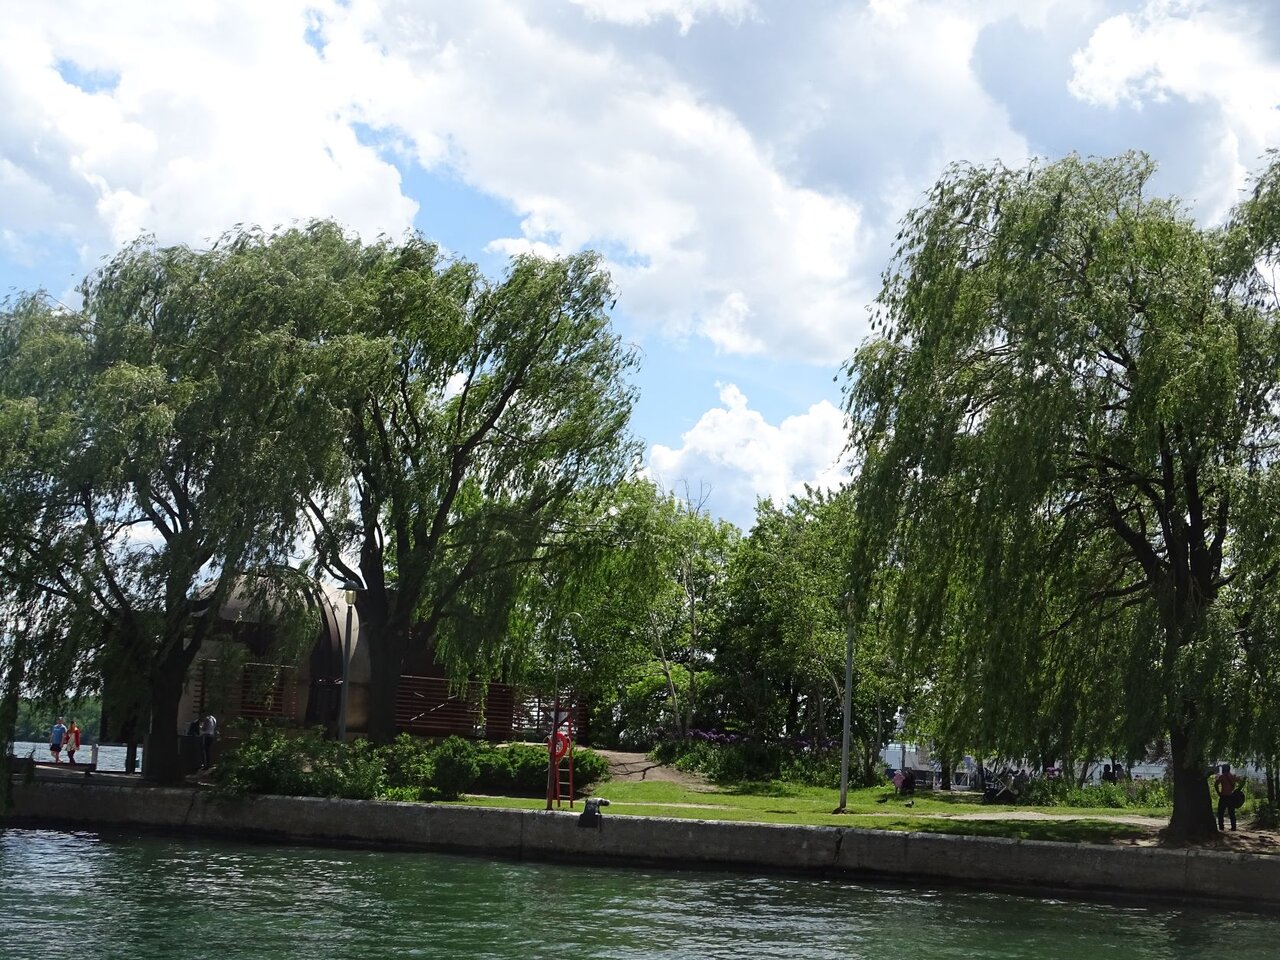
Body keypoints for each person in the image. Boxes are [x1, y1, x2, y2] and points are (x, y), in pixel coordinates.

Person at [1214, 763, 1241, 832]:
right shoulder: (1233, 776)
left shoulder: (1222, 777)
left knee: (1220, 813)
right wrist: (1238, 790)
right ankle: (1233, 827)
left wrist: (1218, 793)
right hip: (1231, 796)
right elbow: (1241, 781)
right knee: (1231, 813)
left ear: (1224, 769)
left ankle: (1221, 827)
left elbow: (1216, 784)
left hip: (1223, 796)